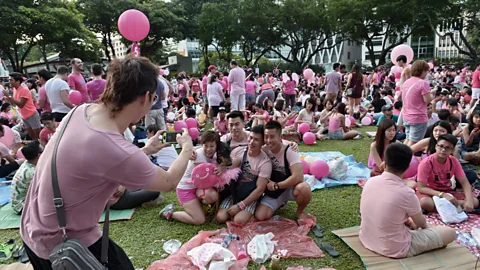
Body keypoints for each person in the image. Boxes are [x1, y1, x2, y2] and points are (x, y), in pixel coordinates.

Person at [20, 57, 194, 269]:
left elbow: (97, 158)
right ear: (146, 97)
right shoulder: (114, 148)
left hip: (32, 229)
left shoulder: (79, 111)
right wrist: (186, 147)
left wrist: (146, 150)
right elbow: (168, 181)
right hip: (63, 246)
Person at [360, 143, 456, 259]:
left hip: (366, 238)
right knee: (450, 233)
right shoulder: (407, 193)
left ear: (384, 164)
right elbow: (421, 225)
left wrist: (410, 223)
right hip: (394, 248)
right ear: (407, 168)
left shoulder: (370, 182)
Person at [159, 131, 227, 225]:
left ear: (217, 146)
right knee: (199, 220)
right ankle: (169, 212)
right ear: (202, 144)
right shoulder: (198, 155)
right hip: (185, 189)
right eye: (205, 145)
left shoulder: (216, 155)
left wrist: (224, 167)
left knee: (212, 195)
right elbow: (205, 180)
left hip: (197, 188)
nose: (208, 149)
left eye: (212, 146)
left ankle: (201, 207)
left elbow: (234, 160)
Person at [255, 121, 311, 221]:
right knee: (260, 216)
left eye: (272, 137)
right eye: (266, 137)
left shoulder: (289, 150)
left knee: (304, 188)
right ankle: (280, 202)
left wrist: (277, 185)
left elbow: (298, 176)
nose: (268, 140)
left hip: (288, 189)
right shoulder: (264, 150)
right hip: (275, 192)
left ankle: (299, 212)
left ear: (280, 137)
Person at [216, 125, 271, 225]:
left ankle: (251, 212)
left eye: (256, 140)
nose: (251, 142)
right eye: (250, 137)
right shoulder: (239, 151)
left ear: (263, 143)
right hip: (234, 194)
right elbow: (225, 162)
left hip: (250, 198)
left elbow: (260, 190)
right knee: (220, 217)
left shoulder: (265, 163)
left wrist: (240, 205)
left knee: (238, 221)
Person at [417, 134, 479, 213]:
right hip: (430, 192)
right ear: (436, 146)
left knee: (475, 202)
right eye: (441, 146)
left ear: (452, 150)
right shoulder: (426, 163)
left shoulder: (453, 161)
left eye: (447, 148)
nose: (443, 150)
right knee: (426, 203)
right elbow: (421, 188)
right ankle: (451, 207)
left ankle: (444, 207)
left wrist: (469, 201)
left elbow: (464, 182)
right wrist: (442, 195)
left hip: (447, 191)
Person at [401, 60, 434, 146]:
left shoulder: (406, 82)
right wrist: (433, 95)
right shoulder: (423, 83)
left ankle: (399, 154)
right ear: (423, 71)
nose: (427, 73)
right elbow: (427, 100)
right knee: (414, 143)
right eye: (427, 71)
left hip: (407, 115)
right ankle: (401, 158)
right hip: (418, 116)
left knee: (408, 139)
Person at [3, 73, 42, 140]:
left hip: (31, 115)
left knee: (37, 136)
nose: (9, 82)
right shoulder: (15, 89)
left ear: (17, 81)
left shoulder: (24, 90)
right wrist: (7, 98)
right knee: (32, 136)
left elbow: (21, 104)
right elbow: (15, 103)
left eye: (11, 80)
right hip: (24, 116)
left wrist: (9, 96)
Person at [10, 141, 42, 214]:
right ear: (39, 155)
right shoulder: (32, 172)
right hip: (22, 206)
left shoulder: (27, 163)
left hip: (18, 204)